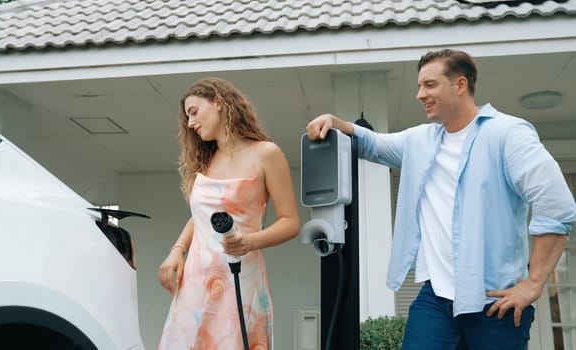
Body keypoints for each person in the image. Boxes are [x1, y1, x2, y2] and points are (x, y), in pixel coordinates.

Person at [306, 49, 576, 349]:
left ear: (460, 85)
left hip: (495, 301)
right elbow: (372, 143)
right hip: (436, 298)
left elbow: (557, 206)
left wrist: (534, 284)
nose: (420, 94)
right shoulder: (420, 140)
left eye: (430, 85)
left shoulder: (507, 134)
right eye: (420, 86)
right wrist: (333, 120)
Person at [157, 77, 300, 349]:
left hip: (239, 282)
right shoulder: (206, 161)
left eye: (194, 112)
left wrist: (250, 241)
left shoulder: (266, 154)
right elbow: (201, 215)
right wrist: (177, 250)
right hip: (195, 283)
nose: (190, 123)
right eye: (188, 117)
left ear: (219, 104)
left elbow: (290, 222)